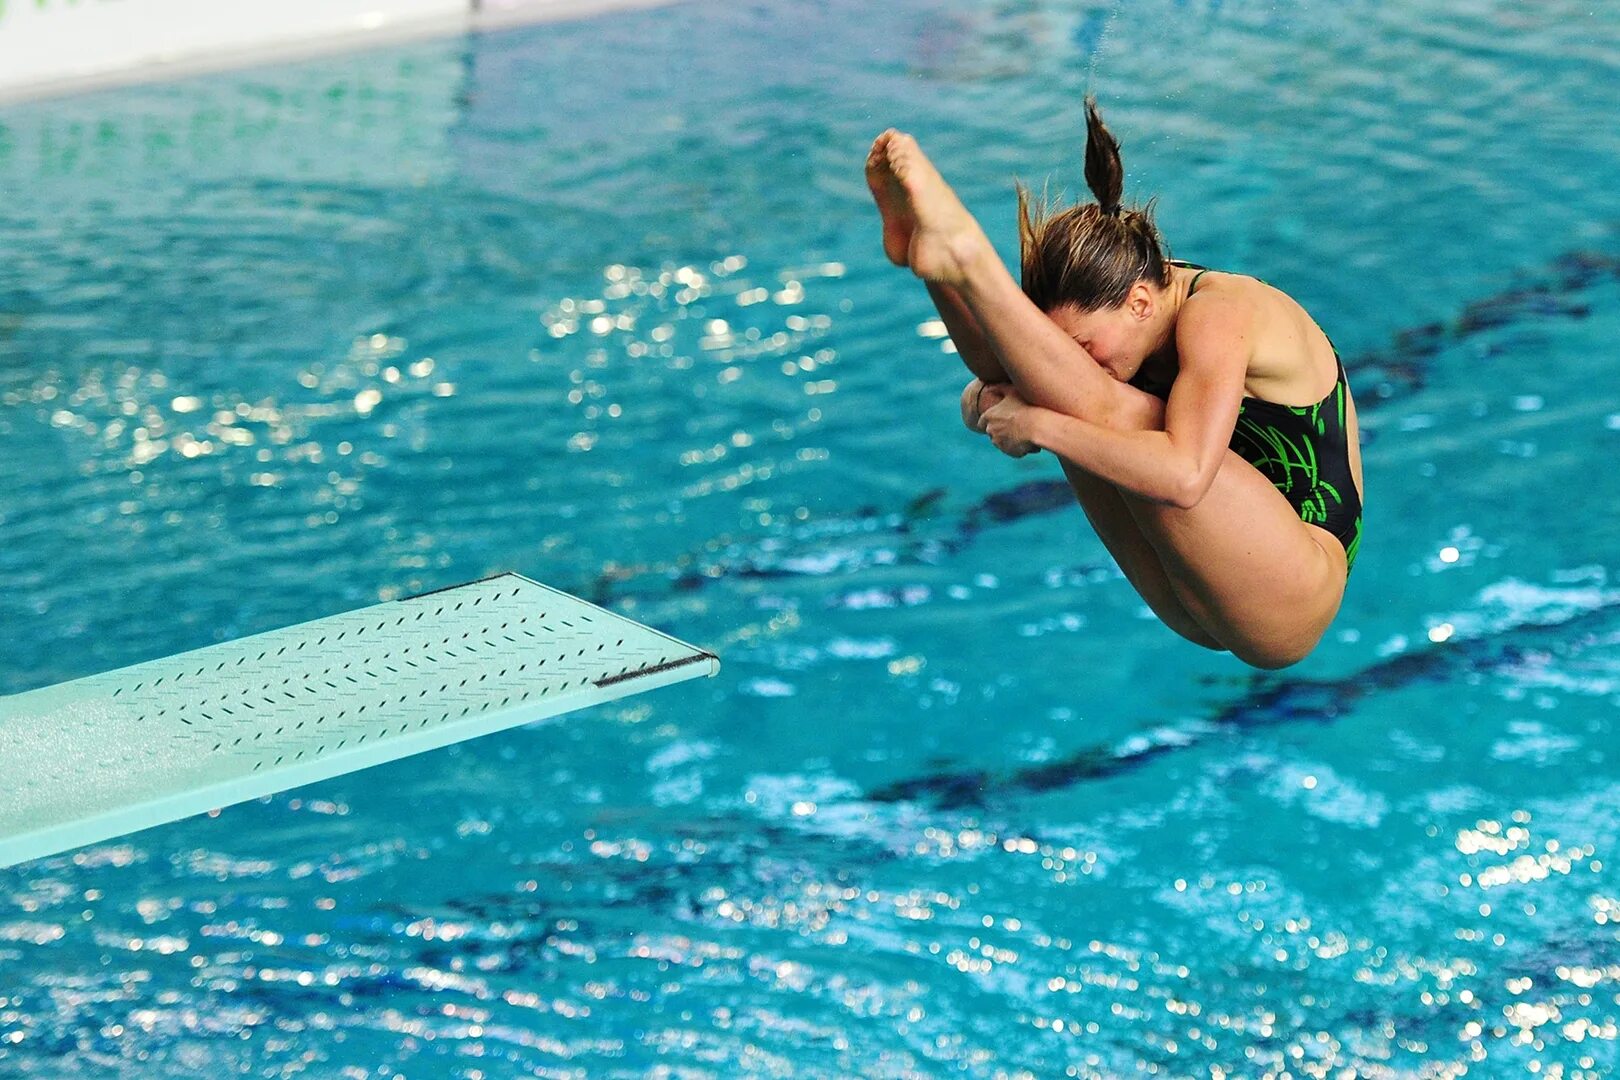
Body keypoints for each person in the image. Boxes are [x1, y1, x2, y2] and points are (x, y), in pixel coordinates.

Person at [865, 100, 1363, 669]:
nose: (1081, 363)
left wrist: (1040, 424)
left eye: (1082, 346)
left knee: (1096, 408)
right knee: (1048, 385)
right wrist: (1005, 397)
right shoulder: (1134, 312)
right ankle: (936, 267)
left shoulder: (1220, 312)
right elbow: (1007, 379)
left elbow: (1184, 476)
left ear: (1141, 302)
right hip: (1199, 593)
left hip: (1290, 596)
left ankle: (970, 258)